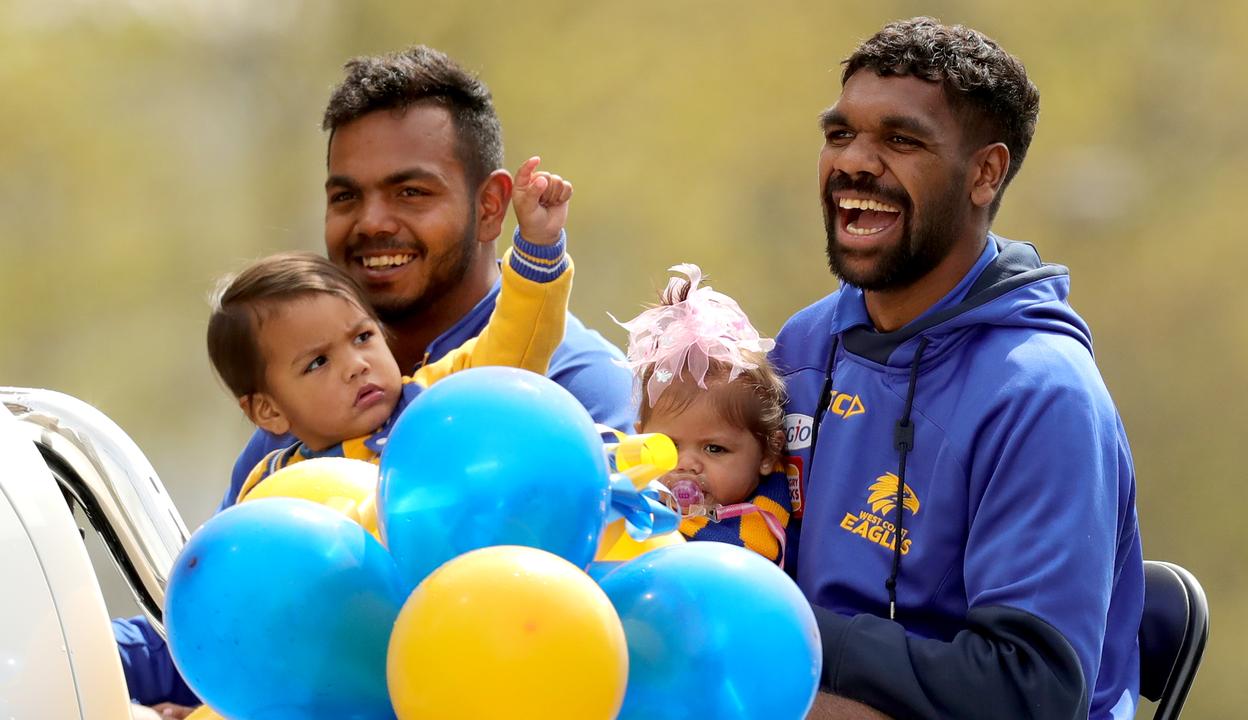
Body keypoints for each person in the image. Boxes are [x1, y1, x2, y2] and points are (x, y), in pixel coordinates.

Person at [117, 46, 635, 708]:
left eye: (410, 192)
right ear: (265, 408)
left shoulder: (560, 391)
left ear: (490, 207)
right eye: (345, 197)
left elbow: (584, 642)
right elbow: (229, 627)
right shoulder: (289, 439)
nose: (372, 222)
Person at [772, 17, 1144, 720]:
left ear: (985, 172)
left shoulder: (1042, 395)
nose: (854, 163)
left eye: (901, 140)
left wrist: (784, 624)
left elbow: (1027, 690)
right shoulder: (804, 345)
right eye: (840, 133)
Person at [214, 156, 572, 491]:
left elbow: (515, 341)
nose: (357, 365)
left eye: (363, 336)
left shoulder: (436, 401)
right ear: (270, 410)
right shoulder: (272, 486)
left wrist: (539, 245)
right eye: (318, 362)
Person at [614, 263, 791, 564]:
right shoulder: (631, 512)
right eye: (668, 446)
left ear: (768, 453)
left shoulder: (758, 523)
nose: (686, 465)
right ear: (640, 437)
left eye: (714, 448)